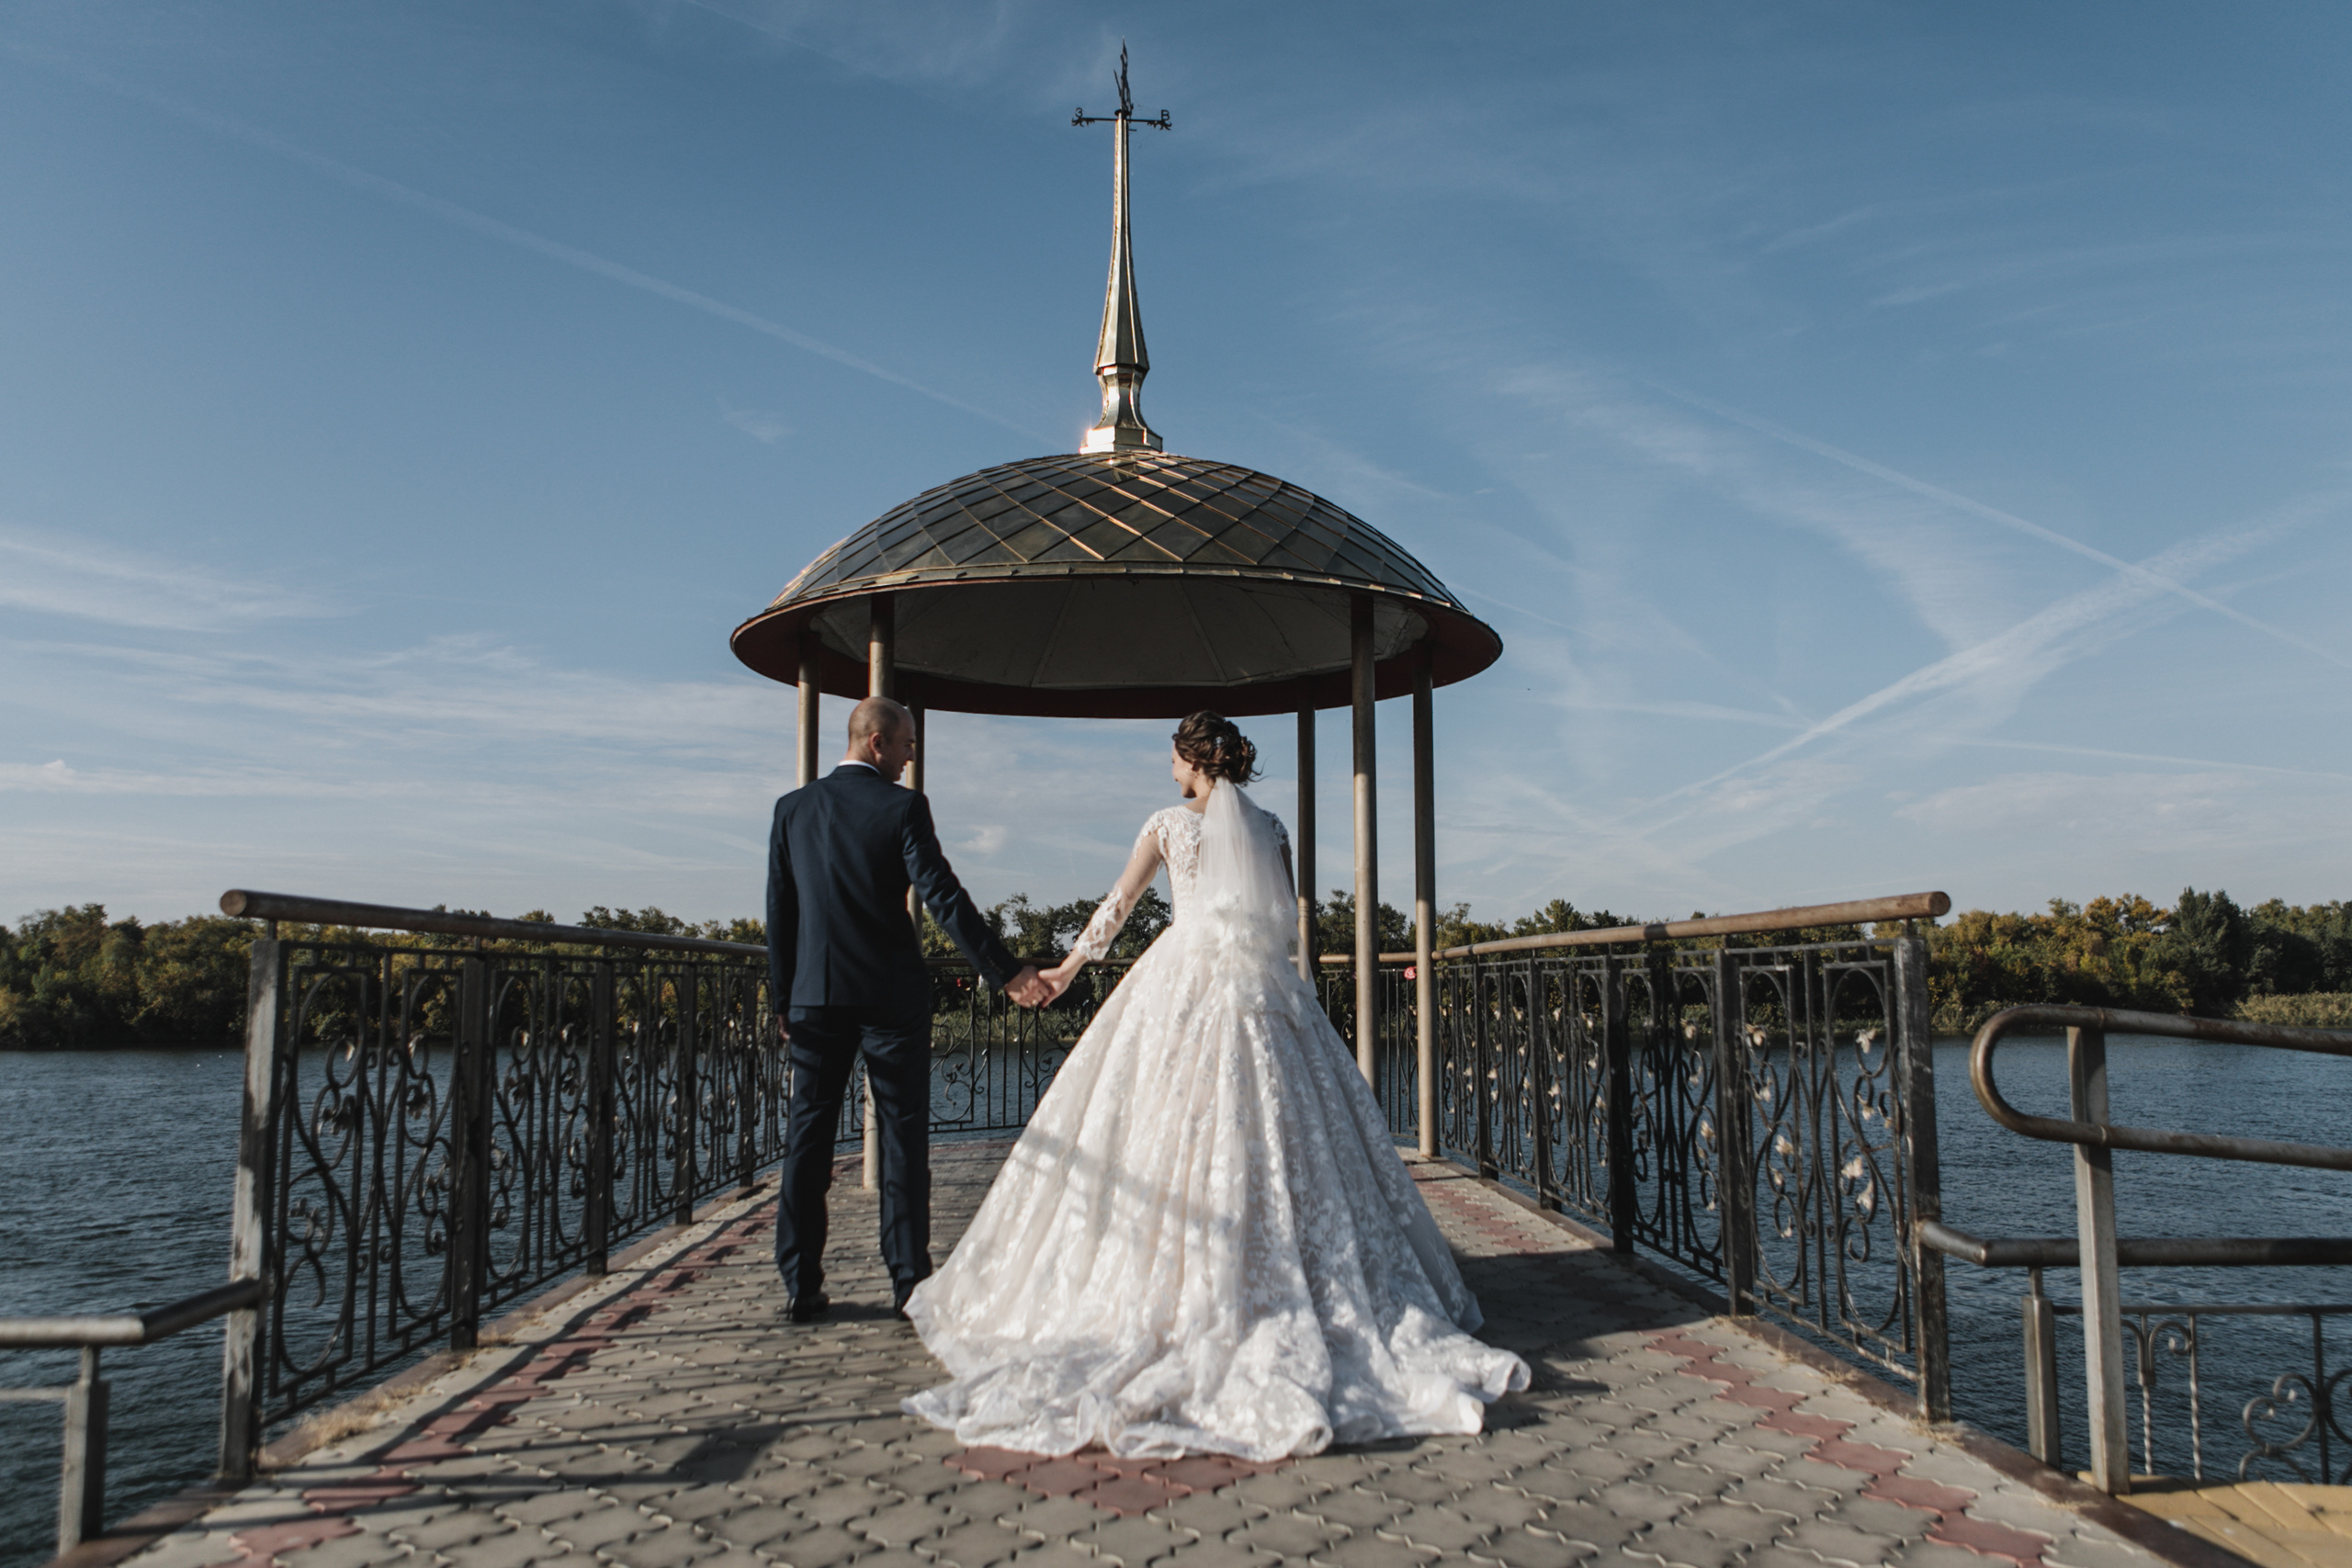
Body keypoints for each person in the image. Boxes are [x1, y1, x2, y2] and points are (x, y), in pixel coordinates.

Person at [901, 712, 1529, 1460]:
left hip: (1185, 978)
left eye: (1172, 755)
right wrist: (1291, 989)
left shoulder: (1169, 823)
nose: (1168, 768)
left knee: (1166, 1125)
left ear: (1191, 760)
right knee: (1281, 1133)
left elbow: (1118, 908)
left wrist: (1065, 972)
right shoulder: (1272, 828)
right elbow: (1291, 920)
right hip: (1265, 990)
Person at [766, 695, 1049, 1324]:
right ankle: (907, 1284)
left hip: (814, 997)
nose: (911, 756)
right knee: (901, 1141)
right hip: (890, 998)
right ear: (877, 743)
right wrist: (1004, 970)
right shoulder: (901, 808)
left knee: (806, 1141)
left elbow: (779, 912)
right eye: (907, 744)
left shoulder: (792, 810)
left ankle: (801, 1284)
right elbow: (944, 897)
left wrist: (783, 996)